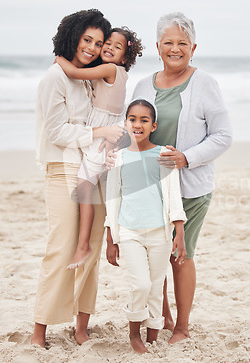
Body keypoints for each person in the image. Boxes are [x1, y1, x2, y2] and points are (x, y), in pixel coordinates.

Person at [106, 12, 233, 343]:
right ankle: (162, 319)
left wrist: (186, 158)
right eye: (168, 43)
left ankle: (182, 328)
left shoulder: (205, 84)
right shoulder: (144, 84)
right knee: (153, 259)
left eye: (182, 43)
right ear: (158, 46)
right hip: (149, 189)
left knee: (181, 255)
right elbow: (132, 127)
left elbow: (223, 136)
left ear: (193, 47)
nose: (175, 49)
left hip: (190, 188)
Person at [32, 9, 114, 348]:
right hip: (63, 168)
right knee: (63, 248)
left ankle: (81, 327)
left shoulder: (89, 78)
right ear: (73, 37)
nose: (92, 48)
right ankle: (39, 331)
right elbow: (55, 131)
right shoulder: (55, 78)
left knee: (90, 251)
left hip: (93, 170)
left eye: (98, 43)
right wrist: (98, 131)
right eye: (87, 40)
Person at [55, 26, 143, 270]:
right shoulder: (121, 72)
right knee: (107, 188)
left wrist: (59, 58)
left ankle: (84, 244)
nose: (109, 48)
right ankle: (111, 236)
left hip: (102, 129)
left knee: (84, 187)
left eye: (117, 47)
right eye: (108, 43)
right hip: (110, 126)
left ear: (124, 57)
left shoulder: (109, 68)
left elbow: (74, 73)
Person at [104, 98, 187, 353]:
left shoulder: (163, 154)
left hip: (160, 233)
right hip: (130, 232)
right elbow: (112, 198)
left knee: (155, 284)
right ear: (125, 123)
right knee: (139, 284)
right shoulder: (117, 159)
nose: (137, 124)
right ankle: (134, 334)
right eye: (132, 119)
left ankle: (152, 335)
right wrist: (111, 238)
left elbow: (173, 195)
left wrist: (179, 233)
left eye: (144, 120)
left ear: (154, 125)